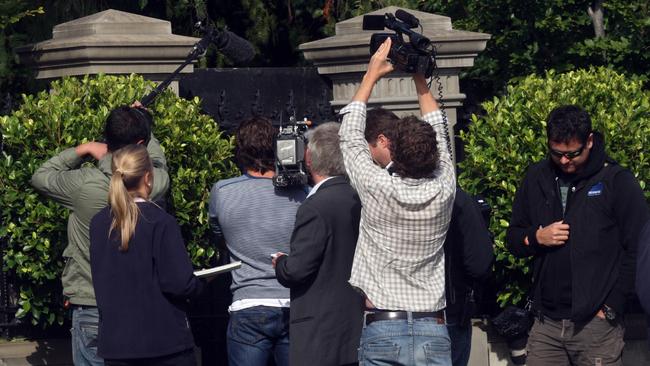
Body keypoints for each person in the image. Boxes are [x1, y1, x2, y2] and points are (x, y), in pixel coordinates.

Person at [339, 37, 456, 365]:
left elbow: (349, 137)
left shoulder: (377, 187)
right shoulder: (444, 188)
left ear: (393, 151)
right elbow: (440, 131)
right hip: (433, 326)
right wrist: (420, 78)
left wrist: (370, 76)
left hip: (383, 326)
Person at [506, 105, 649, 365]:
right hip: (545, 323)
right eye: (557, 153)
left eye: (573, 153)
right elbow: (513, 238)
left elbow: (639, 247)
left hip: (597, 326)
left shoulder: (616, 180)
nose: (564, 161)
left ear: (590, 141)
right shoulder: (537, 177)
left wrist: (611, 306)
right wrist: (537, 238)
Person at [31, 104, 170, 366]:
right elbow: (159, 163)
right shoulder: (153, 182)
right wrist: (144, 124)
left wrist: (82, 149)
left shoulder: (84, 185)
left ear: (107, 138)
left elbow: (41, 177)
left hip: (91, 301)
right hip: (138, 305)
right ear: (140, 143)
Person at [364, 106, 494, 366]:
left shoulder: (376, 193)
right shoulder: (452, 194)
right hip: (445, 310)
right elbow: (480, 262)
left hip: (395, 311)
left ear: (387, 143)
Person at [89, 144, 203, 366]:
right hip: (164, 344)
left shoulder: (99, 224)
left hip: (117, 345)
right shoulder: (160, 221)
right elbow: (178, 283)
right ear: (148, 178)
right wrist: (200, 284)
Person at [208, 116, 307, 366]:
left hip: (247, 301)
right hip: (292, 301)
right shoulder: (302, 194)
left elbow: (217, 234)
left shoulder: (223, 191)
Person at [272, 122, 364, 366]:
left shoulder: (315, 207)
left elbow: (297, 270)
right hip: (356, 326)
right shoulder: (361, 199)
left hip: (321, 332)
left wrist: (280, 262)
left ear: (309, 159)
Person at [443, 188, 494, 366]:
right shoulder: (456, 197)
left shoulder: (383, 191)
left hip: (389, 313)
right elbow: (479, 264)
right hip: (449, 309)